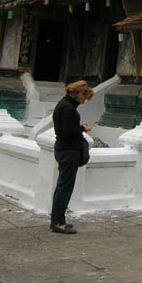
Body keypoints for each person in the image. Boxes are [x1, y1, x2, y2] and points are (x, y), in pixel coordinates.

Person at [50, 80, 94, 234]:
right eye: (84, 97)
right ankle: (58, 222)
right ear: (78, 94)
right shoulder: (68, 109)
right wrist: (82, 128)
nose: (83, 101)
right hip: (68, 151)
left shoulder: (64, 105)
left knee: (63, 186)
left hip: (64, 149)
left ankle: (58, 219)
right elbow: (68, 132)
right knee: (65, 188)